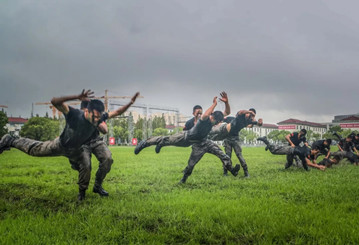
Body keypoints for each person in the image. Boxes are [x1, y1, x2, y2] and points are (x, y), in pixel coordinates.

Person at [0, 89, 140, 201]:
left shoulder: (99, 118)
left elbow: (117, 112)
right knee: (36, 150)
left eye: (99, 117)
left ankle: (82, 194)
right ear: (87, 111)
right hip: (61, 145)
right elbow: (55, 101)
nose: (97, 120)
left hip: (78, 150)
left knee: (86, 166)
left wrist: (131, 103)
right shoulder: (74, 114)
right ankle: (10, 140)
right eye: (95, 116)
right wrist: (76, 96)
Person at [134, 94, 241, 183]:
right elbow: (206, 114)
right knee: (166, 139)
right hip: (185, 138)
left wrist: (226, 102)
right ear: (212, 117)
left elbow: (227, 112)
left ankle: (231, 169)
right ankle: (145, 143)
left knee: (220, 154)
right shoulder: (204, 119)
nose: (217, 124)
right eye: (216, 122)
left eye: (218, 122)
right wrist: (214, 104)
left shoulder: (216, 118)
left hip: (202, 142)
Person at [68, 101, 113, 197]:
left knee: (107, 158)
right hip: (82, 143)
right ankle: (82, 192)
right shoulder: (77, 118)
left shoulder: (97, 117)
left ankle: (98, 186)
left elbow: (105, 130)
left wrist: (96, 122)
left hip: (96, 141)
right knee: (86, 165)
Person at [209, 109, 263, 177]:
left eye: (252, 115)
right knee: (227, 155)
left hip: (235, 138)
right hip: (227, 137)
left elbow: (258, 124)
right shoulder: (240, 116)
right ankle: (225, 172)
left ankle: (246, 172)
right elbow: (241, 112)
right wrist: (250, 112)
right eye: (249, 114)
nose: (249, 116)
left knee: (239, 155)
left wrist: (260, 122)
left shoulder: (248, 121)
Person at [256, 136, 325, 170]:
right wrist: (318, 167)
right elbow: (308, 163)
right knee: (274, 151)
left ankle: (284, 170)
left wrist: (307, 169)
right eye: (316, 152)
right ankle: (266, 141)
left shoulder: (308, 149)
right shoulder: (307, 151)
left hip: (292, 153)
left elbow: (305, 162)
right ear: (314, 150)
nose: (315, 154)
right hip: (290, 150)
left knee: (289, 163)